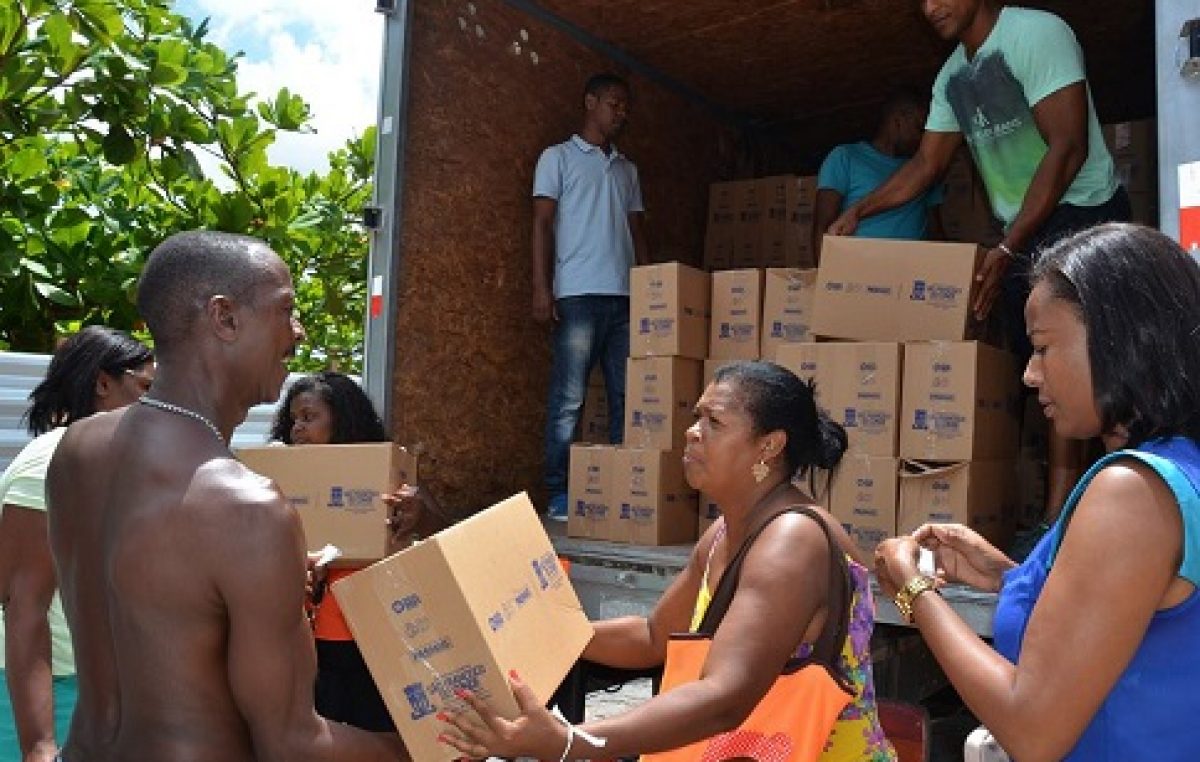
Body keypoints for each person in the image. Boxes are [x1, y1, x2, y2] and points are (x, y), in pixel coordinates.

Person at [45, 231, 407, 761]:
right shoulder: (247, 508)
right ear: (225, 318)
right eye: (286, 310)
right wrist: (431, 747)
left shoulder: (76, 450)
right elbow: (292, 745)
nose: (298, 332)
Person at [439, 361, 896, 761]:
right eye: (696, 416)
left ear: (769, 446)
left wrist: (570, 741)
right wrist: (532, 631)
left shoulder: (792, 540)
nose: (692, 431)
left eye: (714, 421)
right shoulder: (723, 533)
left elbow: (724, 698)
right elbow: (654, 636)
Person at [875, 223, 1200, 761]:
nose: (1029, 374)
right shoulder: (1177, 469)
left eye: (1044, 348)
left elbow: (1033, 729)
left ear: (1120, 337)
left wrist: (913, 592)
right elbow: (1133, 622)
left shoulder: (1131, 491)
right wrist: (1015, 579)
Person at [829, 0, 1130, 527]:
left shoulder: (1037, 35)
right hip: (1023, 230)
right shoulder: (951, 77)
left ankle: (1068, 519)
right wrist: (859, 209)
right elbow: (926, 164)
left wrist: (1010, 246)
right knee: (1041, 367)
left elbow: (1068, 147)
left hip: (1081, 213)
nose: (931, 7)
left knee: (1083, 363)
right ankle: (1058, 518)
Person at [269, 371, 453, 734]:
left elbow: (447, 537)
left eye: (309, 417)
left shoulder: (387, 475)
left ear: (342, 418)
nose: (297, 430)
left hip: (374, 637)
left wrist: (418, 513)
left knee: (372, 728)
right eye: (293, 421)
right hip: (311, 640)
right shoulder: (279, 481)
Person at [0, 327, 153, 762]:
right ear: (103, 383)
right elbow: (23, 605)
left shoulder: (102, 463)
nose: (154, 406)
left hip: (89, 683)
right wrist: (40, 744)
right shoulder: (50, 462)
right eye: (145, 388)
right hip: (48, 691)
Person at [533, 71, 650, 520]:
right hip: (577, 294)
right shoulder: (557, 158)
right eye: (613, 104)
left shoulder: (627, 169)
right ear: (590, 102)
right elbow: (542, 224)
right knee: (569, 399)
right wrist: (543, 288)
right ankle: (559, 492)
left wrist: (648, 291)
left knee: (625, 397)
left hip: (623, 298)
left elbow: (638, 232)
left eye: (625, 107)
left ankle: (619, 489)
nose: (620, 113)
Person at [812, 89, 944, 263]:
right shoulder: (846, 157)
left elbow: (935, 230)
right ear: (898, 121)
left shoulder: (926, 169)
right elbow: (823, 225)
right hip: (861, 273)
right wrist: (825, 279)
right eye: (919, 128)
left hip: (912, 275)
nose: (922, 139)